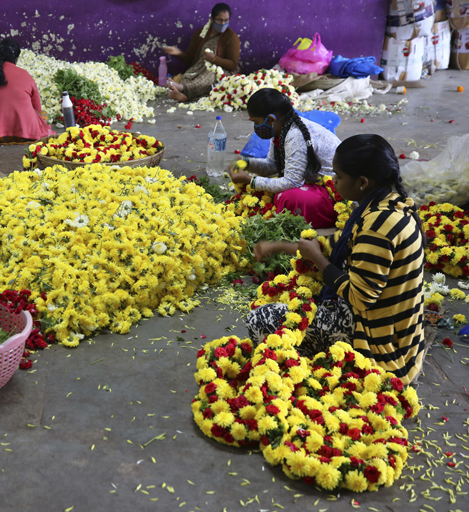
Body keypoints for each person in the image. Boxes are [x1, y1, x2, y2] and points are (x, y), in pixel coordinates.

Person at [247, 134, 427, 384]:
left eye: (339, 176)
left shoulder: (378, 226)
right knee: (303, 294)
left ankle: (305, 371)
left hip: (380, 341)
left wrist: (320, 262)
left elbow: (360, 298)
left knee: (260, 319)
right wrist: (280, 246)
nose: (333, 180)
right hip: (395, 327)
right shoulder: (387, 203)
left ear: (362, 182)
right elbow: (341, 243)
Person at [227, 88, 342, 228]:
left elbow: (292, 182)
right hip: (307, 180)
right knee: (262, 193)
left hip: (334, 189)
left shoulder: (295, 135)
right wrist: (245, 163)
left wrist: (250, 180)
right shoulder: (280, 128)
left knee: (287, 198)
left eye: (256, 122)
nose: (255, 127)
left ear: (271, 119)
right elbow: (272, 165)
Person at [161, 3, 240, 102]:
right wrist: (179, 53)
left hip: (219, 70)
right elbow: (190, 60)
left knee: (208, 78)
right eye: (219, 20)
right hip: (199, 68)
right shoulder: (200, 34)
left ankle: (182, 89)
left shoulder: (231, 37)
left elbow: (233, 65)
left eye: (226, 20)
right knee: (187, 77)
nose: (223, 23)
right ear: (212, 19)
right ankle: (184, 94)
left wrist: (214, 59)